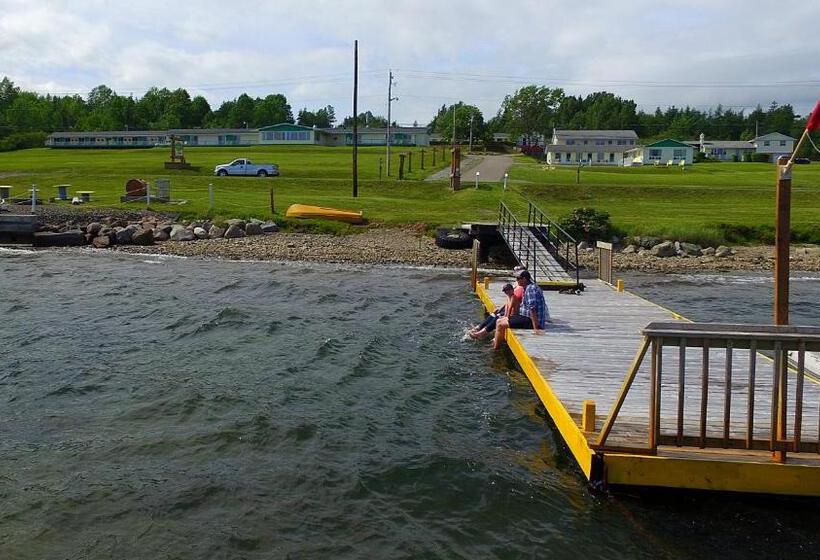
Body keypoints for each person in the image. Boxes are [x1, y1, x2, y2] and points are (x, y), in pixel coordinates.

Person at [493, 270, 550, 350]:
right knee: (500, 319)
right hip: (525, 317)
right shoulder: (528, 287)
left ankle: (496, 349)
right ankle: (496, 342)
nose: (516, 280)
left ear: (524, 279)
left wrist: (536, 329)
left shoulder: (530, 289)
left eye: (518, 278)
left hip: (530, 321)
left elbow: (532, 309)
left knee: (500, 324)